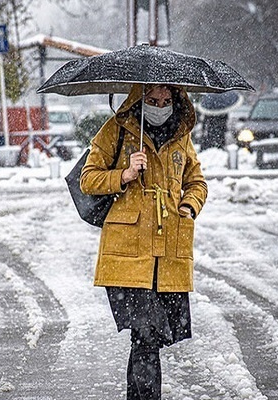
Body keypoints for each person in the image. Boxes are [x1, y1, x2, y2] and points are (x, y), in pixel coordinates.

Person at [80, 83, 207, 399]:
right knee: (147, 335)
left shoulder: (181, 137)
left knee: (147, 338)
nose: (160, 106)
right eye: (152, 100)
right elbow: (87, 179)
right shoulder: (117, 130)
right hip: (127, 254)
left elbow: (197, 182)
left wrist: (189, 206)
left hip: (168, 256)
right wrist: (123, 175)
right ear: (139, 99)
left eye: (166, 100)